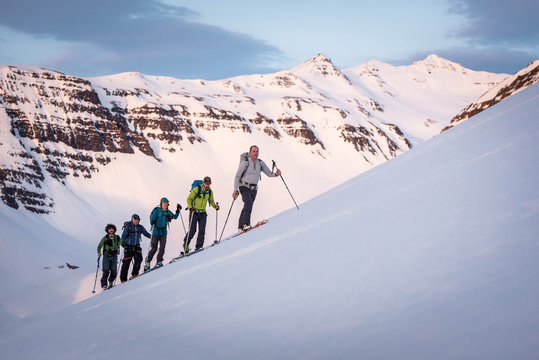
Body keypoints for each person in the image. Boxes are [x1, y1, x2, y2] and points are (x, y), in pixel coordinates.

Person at [232, 145, 281, 231]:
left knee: (247, 205)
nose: (256, 153)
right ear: (250, 153)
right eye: (254, 151)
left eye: (257, 151)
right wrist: (235, 190)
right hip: (244, 186)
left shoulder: (260, 163)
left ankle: (240, 226)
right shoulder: (245, 163)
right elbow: (237, 176)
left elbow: (269, 173)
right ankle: (246, 224)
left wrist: (276, 174)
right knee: (248, 203)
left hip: (254, 189)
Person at [184, 176, 219, 252]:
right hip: (194, 212)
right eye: (206, 183)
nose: (207, 185)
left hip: (203, 212)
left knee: (202, 230)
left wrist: (215, 206)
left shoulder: (209, 191)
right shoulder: (197, 189)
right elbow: (189, 199)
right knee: (193, 230)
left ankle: (199, 246)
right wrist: (190, 207)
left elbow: (211, 201)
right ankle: (185, 243)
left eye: (209, 184)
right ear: (203, 183)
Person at [145, 197, 180, 270]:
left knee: (162, 248)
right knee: (154, 248)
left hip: (163, 232)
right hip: (155, 232)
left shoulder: (168, 212)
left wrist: (178, 211)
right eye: (164, 203)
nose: (166, 204)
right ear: (161, 203)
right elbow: (152, 219)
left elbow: (175, 217)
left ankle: (159, 261)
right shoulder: (157, 210)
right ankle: (148, 261)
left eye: (166, 203)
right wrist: (153, 222)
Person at [120, 214, 151, 282]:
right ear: (132, 219)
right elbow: (123, 236)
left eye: (138, 219)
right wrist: (123, 244)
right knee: (126, 263)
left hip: (137, 246)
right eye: (135, 219)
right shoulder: (128, 226)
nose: (137, 221)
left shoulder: (140, 227)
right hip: (128, 247)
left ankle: (135, 274)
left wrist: (152, 237)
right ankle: (123, 279)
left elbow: (146, 234)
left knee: (139, 259)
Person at [97, 224, 121, 290]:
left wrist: (125, 246)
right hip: (106, 256)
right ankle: (104, 285)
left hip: (114, 256)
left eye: (112, 229)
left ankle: (110, 282)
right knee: (106, 271)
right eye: (109, 229)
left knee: (114, 271)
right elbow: (99, 246)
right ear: (107, 230)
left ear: (114, 230)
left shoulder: (117, 237)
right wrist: (99, 252)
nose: (111, 230)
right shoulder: (105, 238)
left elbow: (122, 243)